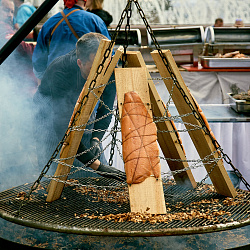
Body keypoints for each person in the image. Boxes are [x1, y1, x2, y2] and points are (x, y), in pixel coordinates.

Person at [33, 32, 125, 181]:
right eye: (94, 68)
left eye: (104, 66)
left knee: (94, 167)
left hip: (81, 102)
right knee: (55, 165)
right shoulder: (60, 70)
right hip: (50, 108)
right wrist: (98, 167)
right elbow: (63, 128)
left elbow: (105, 109)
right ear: (80, 63)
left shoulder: (108, 68)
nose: (100, 74)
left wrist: (96, 139)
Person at [32, 0, 111, 81]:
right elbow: (109, 53)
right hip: (86, 80)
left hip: (55, 80)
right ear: (84, 2)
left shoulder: (49, 23)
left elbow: (39, 60)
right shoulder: (95, 20)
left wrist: (43, 83)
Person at [0, 0, 37, 96]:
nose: (10, 15)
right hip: (19, 85)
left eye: (12, 12)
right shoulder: (2, 27)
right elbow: (20, 47)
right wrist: (38, 48)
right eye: (6, 10)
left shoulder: (7, 26)